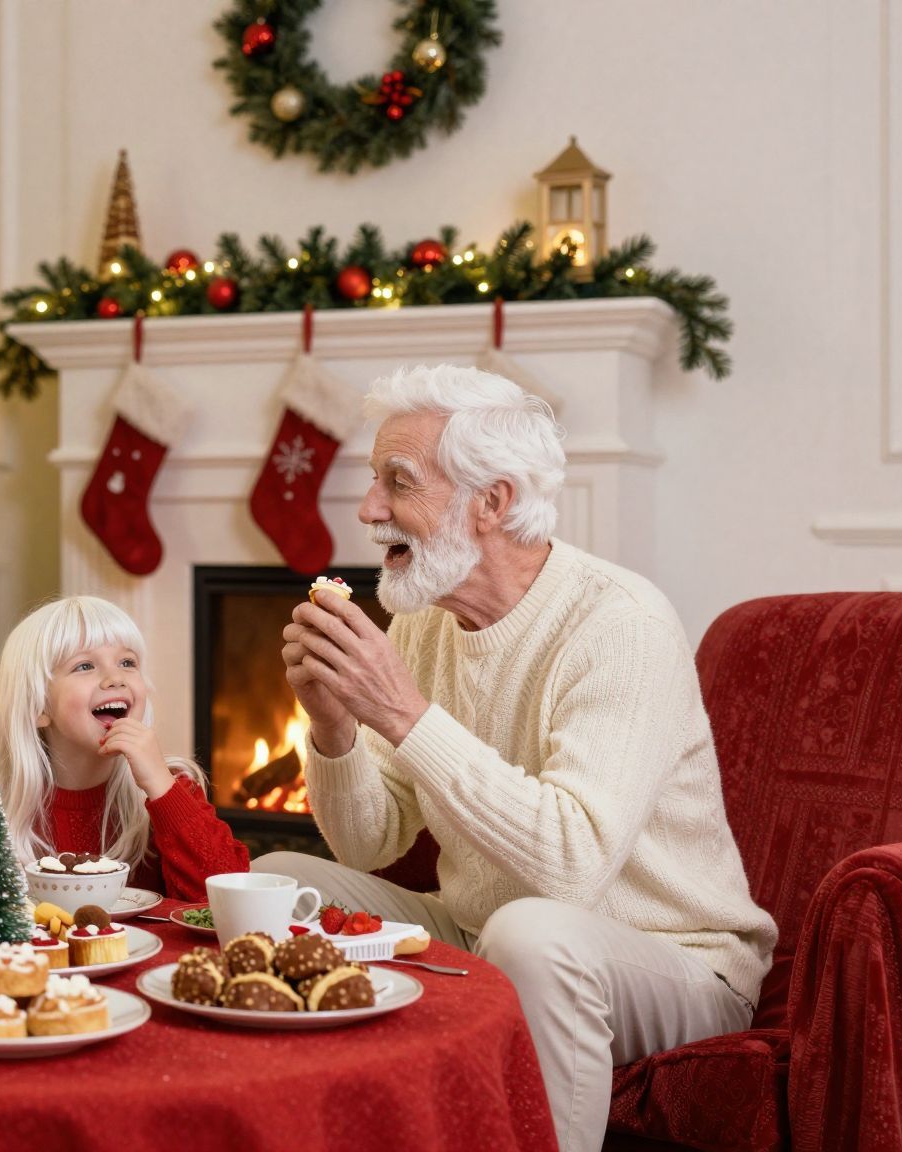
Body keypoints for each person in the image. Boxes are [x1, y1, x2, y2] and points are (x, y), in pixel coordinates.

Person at [267, 364, 777, 1152]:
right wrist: (332, 728)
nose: (369, 510)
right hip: (486, 932)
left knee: (533, 934)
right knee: (274, 884)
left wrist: (403, 713)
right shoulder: (425, 619)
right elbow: (371, 843)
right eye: (374, 482)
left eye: (396, 483)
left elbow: (572, 866)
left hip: (674, 963)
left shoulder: (618, 624)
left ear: (492, 502)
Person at [0, 595, 248, 901]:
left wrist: (160, 786)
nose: (115, 678)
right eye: (85, 666)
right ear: (38, 706)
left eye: (127, 662)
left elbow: (228, 901)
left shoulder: (173, 788)